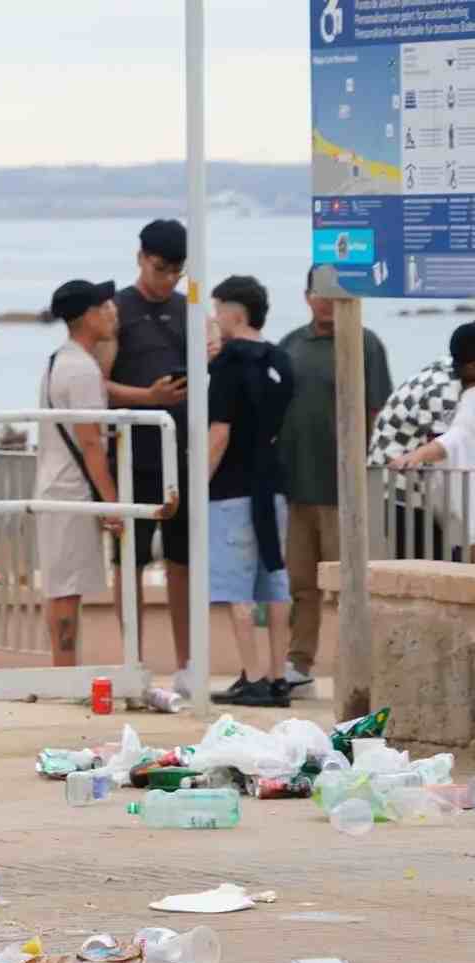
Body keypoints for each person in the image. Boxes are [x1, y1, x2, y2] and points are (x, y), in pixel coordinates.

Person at [277, 265, 395, 695]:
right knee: (301, 584)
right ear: (307, 295)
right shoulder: (290, 345)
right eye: (319, 292)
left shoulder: (365, 343)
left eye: (333, 291)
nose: (325, 300)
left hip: (344, 493)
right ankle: (298, 665)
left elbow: (376, 414)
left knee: (349, 587)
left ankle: (356, 668)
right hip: (296, 490)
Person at [105, 220, 196, 694]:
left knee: (183, 560)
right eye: (161, 269)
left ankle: (187, 663)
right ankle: (132, 660)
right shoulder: (117, 310)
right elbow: (96, 383)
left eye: (177, 272)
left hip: (182, 454)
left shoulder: (189, 311)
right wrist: (147, 396)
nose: (167, 280)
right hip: (132, 454)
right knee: (130, 561)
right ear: (141, 258)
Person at [202, 276, 296, 708]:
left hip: (233, 490)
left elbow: (219, 434)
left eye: (218, 310)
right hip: (273, 484)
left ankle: (252, 677)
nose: (215, 318)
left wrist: (192, 483)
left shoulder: (228, 365)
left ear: (235, 313)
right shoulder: (281, 360)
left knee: (238, 589)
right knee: (274, 581)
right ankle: (278, 677)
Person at [35, 280, 125, 667]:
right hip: (71, 492)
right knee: (66, 590)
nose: (110, 314)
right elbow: (91, 443)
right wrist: (112, 503)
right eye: (104, 307)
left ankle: (63, 669)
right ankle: (64, 672)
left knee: (61, 587)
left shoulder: (60, 360)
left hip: (54, 485)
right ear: (88, 315)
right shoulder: (82, 370)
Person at [389, 323, 475, 556]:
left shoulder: (449, 380)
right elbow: (451, 440)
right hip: (406, 494)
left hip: (425, 497)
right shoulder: (449, 392)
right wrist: (414, 457)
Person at [369, 351, 461, 559]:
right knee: (431, 572)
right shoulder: (444, 388)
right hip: (406, 493)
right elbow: (446, 448)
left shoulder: (447, 375)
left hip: (402, 488)